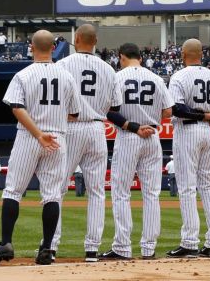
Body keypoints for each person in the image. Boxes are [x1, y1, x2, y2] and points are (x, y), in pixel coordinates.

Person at [0, 30, 79, 266]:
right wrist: (52, 123)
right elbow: (74, 114)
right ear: (54, 47)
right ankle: (47, 249)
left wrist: (38, 133)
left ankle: (6, 244)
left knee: (13, 191)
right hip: (57, 138)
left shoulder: (23, 75)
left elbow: (16, 107)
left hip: (30, 136)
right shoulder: (66, 76)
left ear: (31, 47)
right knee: (52, 195)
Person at [50, 24, 121, 263]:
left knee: (57, 188)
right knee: (97, 192)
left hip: (69, 127)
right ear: (96, 41)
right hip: (97, 128)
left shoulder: (62, 64)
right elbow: (116, 107)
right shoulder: (108, 69)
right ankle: (92, 249)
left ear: (76, 38)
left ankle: (51, 245)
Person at [101, 42, 173, 261]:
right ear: (140, 57)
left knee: (121, 193)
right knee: (151, 194)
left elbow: (109, 111)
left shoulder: (116, 77)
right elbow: (168, 111)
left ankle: (122, 247)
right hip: (152, 137)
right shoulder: (156, 78)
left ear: (122, 57)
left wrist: (134, 126)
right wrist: (150, 122)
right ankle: (149, 248)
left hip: (129, 136)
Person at [165, 38, 210, 259]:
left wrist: (199, 115)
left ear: (183, 53)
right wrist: (205, 116)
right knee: (208, 186)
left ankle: (190, 242)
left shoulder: (180, 76)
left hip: (188, 131)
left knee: (188, 187)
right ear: (201, 54)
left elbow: (176, 108)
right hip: (209, 132)